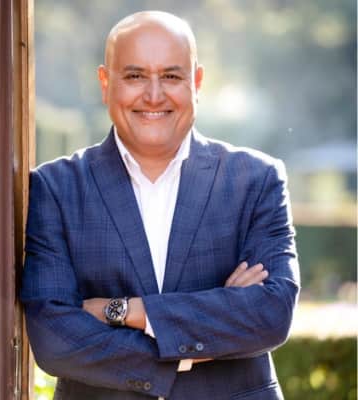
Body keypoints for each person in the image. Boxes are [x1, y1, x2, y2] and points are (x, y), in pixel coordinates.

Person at [21, 10, 300, 400]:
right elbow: (54, 339)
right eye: (135, 76)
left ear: (196, 82)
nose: (153, 95)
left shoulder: (257, 180)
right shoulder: (55, 188)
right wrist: (202, 335)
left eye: (171, 76)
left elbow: (271, 313)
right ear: (105, 83)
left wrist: (121, 311)